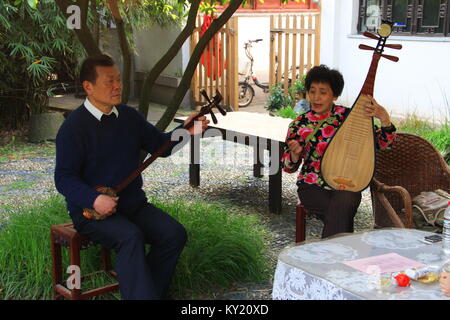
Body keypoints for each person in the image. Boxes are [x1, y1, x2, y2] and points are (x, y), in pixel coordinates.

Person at [54, 54, 209, 300]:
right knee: (130, 237)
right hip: (91, 212)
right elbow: (63, 177)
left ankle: (149, 295)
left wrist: (187, 131)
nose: (117, 86)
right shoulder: (73, 128)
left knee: (174, 234)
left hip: (132, 204)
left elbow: (161, 146)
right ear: (88, 87)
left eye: (118, 80)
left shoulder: (128, 117)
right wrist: (94, 199)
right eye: (109, 81)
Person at [281, 65, 397, 239]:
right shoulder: (299, 124)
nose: (316, 97)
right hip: (312, 185)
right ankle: (338, 256)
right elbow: (288, 167)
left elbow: (381, 143)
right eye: (312, 91)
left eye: (323, 92)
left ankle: (328, 259)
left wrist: (385, 119)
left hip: (347, 181)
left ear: (334, 95)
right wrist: (294, 155)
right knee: (342, 210)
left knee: (344, 201)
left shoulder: (349, 117)